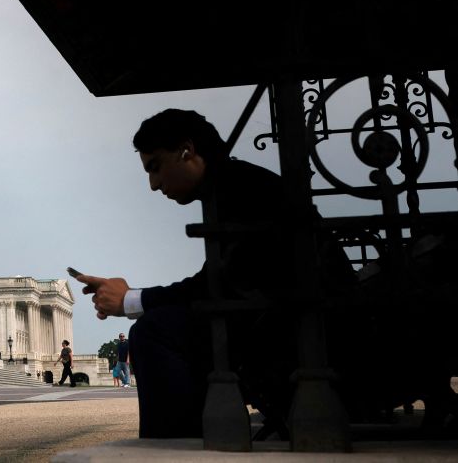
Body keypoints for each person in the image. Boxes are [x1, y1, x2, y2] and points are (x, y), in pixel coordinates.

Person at [75, 109, 353, 438]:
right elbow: (223, 281)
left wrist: (132, 300)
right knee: (162, 325)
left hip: (311, 335)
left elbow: (222, 285)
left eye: (156, 167)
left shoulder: (241, 190)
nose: (153, 184)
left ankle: (177, 451)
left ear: (187, 151)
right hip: (297, 320)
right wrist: (134, 297)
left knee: (155, 331)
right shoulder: (237, 185)